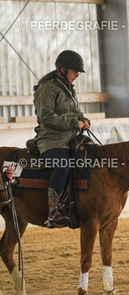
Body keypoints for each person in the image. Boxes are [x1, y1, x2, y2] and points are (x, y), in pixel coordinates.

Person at [33, 50, 91, 228]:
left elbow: (77, 112)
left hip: (71, 138)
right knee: (63, 166)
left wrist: (84, 120)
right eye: (75, 71)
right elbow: (47, 117)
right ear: (63, 69)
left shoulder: (69, 88)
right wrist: (74, 122)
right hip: (51, 140)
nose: (77, 75)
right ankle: (54, 210)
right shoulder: (47, 88)